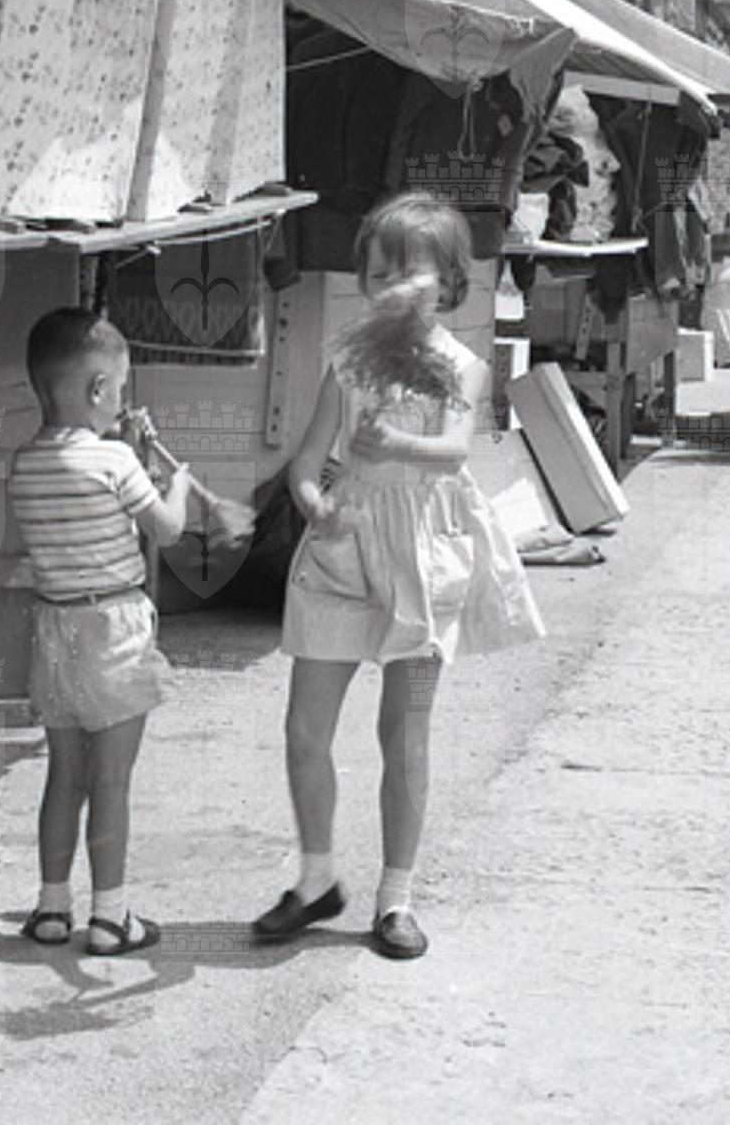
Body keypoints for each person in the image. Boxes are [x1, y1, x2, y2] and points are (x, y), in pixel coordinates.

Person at [254, 193, 544, 961]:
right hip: (342, 553)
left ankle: (396, 898)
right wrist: (315, 505)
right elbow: (307, 461)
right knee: (304, 728)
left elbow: (452, 451)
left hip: (423, 553)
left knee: (403, 731)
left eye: (405, 272)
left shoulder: (461, 367)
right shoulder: (347, 362)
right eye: (376, 273)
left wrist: (394, 446)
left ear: (448, 282)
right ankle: (316, 879)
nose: (387, 287)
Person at [10, 307, 198, 956]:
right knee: (111, 780)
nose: (122, 400)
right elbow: (165, 528)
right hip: (112, 630)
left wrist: (130, 450)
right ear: (96, 389)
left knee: (65, 775)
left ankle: (51, 907)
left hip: (53, 631)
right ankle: (111, 918)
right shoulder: (114, 460)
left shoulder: (25, 464)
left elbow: (86, 490)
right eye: (118, 388)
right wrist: (178, 484)